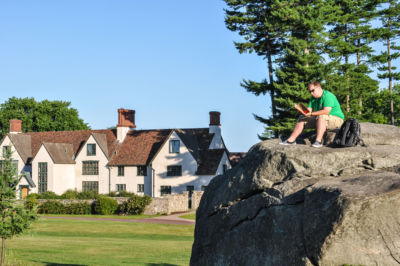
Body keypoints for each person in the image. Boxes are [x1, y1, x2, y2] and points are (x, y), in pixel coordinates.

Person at [279, 82, 344, 148]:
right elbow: (309, 111)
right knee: (302, 118)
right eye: (310, 91)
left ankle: (318, 142)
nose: (311, 93)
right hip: (321, 119)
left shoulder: (328, 96)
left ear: (319, 88)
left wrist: (311, 114)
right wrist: (304, 112)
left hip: (337, 120)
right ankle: (291, 140)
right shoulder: (313, 98)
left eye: (312, 91)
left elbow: (326, 111)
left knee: (321, 116)